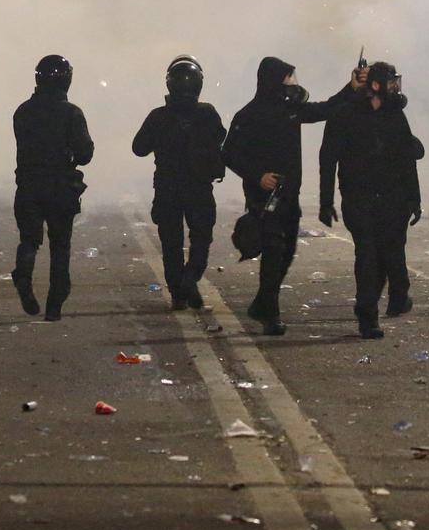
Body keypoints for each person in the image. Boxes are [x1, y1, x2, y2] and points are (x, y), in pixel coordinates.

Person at [222, 57, 360, 335]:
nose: (292, 83)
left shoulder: (291, 110)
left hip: (289, 197)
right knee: (273, 252)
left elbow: (327, 109)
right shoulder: (247, 116)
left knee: (286, 252)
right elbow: (229, 153)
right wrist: (258, 175)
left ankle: (262, 302)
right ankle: (270, 314)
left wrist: (352, 87)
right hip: (264, 198)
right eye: (287, 78)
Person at [319, 61, 424, 339]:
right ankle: (368, 317)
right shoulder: (345, 114)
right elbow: (328, 159)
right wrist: (325, 200)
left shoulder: (395, 116)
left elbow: (407, 161)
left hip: (392, 198)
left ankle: (389, 299)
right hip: (358, 198)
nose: (396, 88)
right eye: (390, 82)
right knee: (367, 255)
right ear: (375, 86)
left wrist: (414, 197)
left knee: (389, 254)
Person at [132, 56, 226, 311]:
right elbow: (220, 137)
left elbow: (138, 148)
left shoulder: (158, 116)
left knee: (170, 243)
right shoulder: (207, 113)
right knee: (201, 239)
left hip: (167, 188)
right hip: (199, 188)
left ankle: (178, 292)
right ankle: (189, 278)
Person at [12, 55, 95, 320]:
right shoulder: (71, 113)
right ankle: (54, 306)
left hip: (28, 186)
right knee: (60, 246)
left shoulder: (22, 111)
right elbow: (85, 153)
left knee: (29, 240)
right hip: (60, 187)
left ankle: (23, 276)